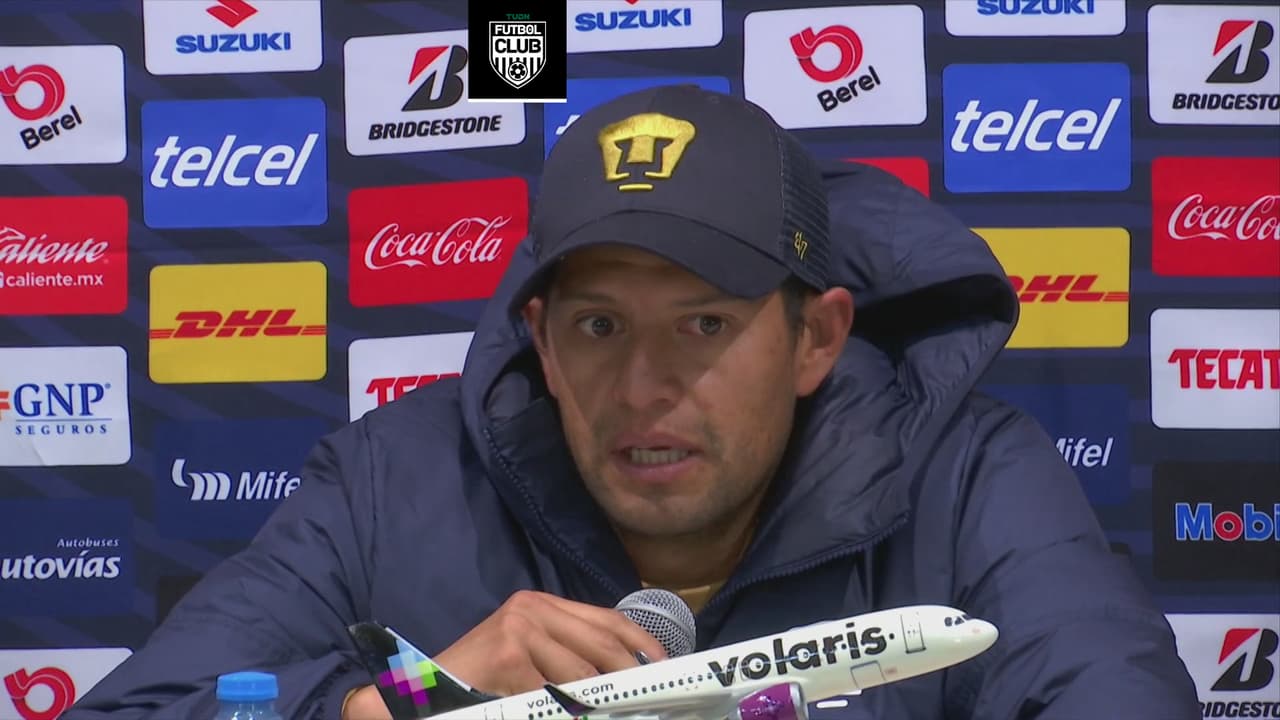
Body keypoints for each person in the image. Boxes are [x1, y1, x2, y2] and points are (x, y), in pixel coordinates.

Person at [64, 85, 1201, 720]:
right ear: (541, 345)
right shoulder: (390, 480)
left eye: (703, 325)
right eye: (598, 328)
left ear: (814, 339)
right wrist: (411, 703)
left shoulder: (967, 477)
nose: (644, 387)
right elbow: (149, 709)